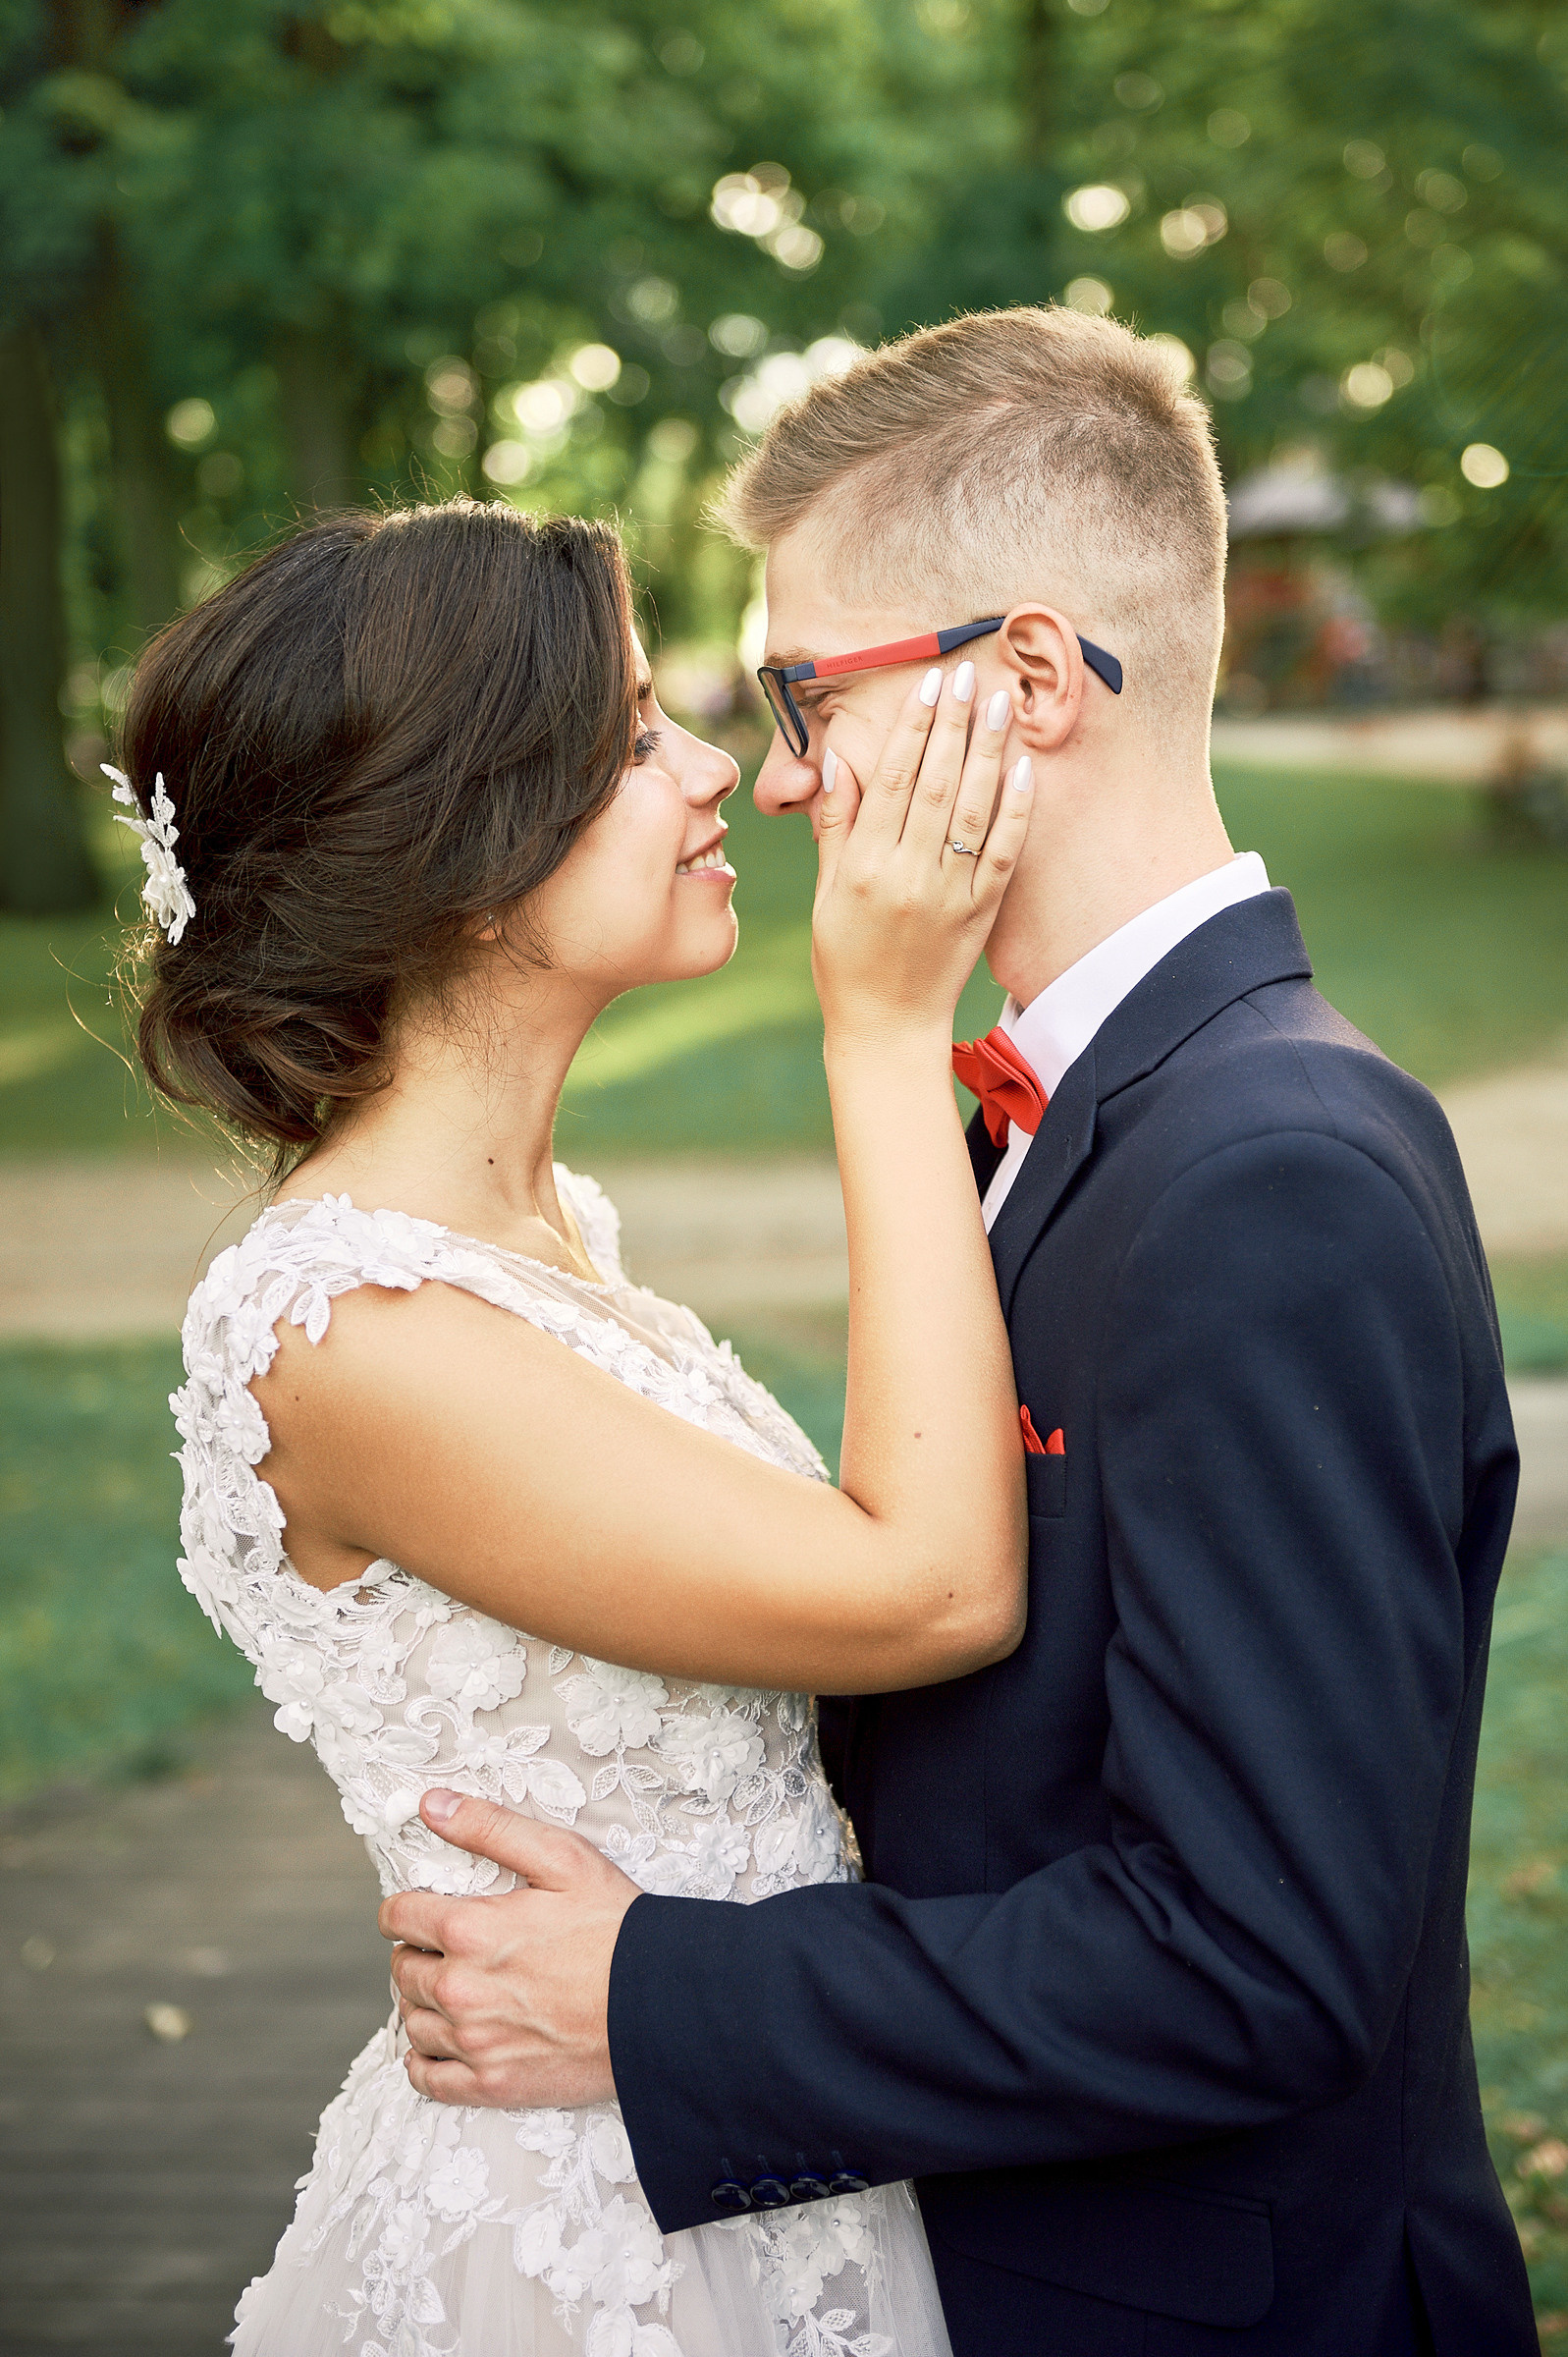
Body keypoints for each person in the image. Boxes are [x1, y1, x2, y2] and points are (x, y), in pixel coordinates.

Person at [387, 311, 1540, 2356]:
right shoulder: (1084, 1111)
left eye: (803, 691)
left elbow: (1255, 1963)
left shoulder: (1269, 1170)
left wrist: (655, 1998)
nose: (781, 768)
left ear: (1026, 681)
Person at [115, 493, 1038, 2354]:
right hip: (591, 2233)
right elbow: (931, 1589)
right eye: (627, 736)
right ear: (460, 850)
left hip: (742, 2119)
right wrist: (879, 1027)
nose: (713, 770)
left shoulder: (539, 1240)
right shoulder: (352, 1331)